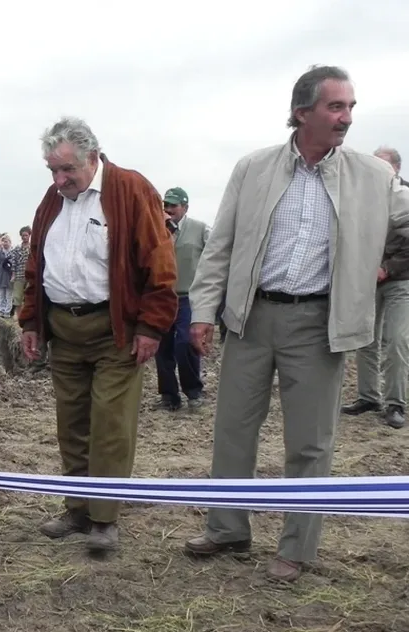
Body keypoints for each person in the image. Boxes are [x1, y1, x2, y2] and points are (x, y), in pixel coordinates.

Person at [185, 65, 409, 582]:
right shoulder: (253, 168)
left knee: (310, 443)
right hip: (251, 318)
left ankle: (297, 550)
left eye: (351, 107)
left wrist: (388, 266)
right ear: (302, 111)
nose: (347, 118)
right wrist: (202, 312)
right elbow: (220, 248)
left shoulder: (373, 176)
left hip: (319, 324)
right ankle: (227, 529)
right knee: (233, 431)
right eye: (336, 107)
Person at [19, 117, 177, 555]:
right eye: (52, 170)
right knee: (71, 424)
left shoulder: (130, 190)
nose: (59, 179)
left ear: (93, 157)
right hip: (64, 332)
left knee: (110, 424)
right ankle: (76, 508)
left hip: (116, 334)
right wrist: (31, 321)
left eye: (67, 169)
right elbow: (36, 266)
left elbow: (159, 263)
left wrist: (151, 326)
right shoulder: (52, 201)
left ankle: (104, 519)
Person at [341, 146, 409, 429]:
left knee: (397, 340)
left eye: (382, 166)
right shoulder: (362, 200)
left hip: (401, 281)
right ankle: (369, 396)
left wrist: (387, 268)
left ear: (396, 169)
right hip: (368, 281)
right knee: (365, 338)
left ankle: (396, 403)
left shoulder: (405, 200)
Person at [155, 187, 210, 411]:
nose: (168, 210)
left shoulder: (200, 229)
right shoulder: (156, 229)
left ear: (185, 208)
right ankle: (169, 396)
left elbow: (215, 255)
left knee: (185, 343)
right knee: (162, 347)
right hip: (162, 298)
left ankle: (194, 392)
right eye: (165, 206)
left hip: (189, 297)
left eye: (173, 206)